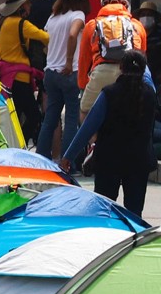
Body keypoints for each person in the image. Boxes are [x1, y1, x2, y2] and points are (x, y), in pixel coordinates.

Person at [63, 50, 156, 216]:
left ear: (120, 67)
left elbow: (88, 128)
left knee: (103, 211)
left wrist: (68, 156)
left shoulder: (109, 93)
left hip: (109, 160)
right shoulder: (150, 94)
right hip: (139, 161)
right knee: (135, 213)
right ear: (144, 70)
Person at [37, 0, 91, 157]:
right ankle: (68, 162)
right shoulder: (78, 15)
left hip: (50, 72)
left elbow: (46, 43)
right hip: (70, 72)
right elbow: (72, 34)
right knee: (71, 118)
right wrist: (68, 61)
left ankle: (41, 156)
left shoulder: (53, 18)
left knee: (50, 118)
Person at [0, 0, 47, 139]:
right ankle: (20, 146)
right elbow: (46, 37)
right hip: (19, 78)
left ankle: (14, 145)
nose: (30, 6)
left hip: (6, 78)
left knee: (14, 117)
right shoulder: (21, 24)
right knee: (34, 117)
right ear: (20, 6)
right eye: (28, 3)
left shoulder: (2, 22)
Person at [79, 0, 148, 114]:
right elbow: (141, 56)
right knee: (128, 113)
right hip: (129, 73)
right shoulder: (137, 25)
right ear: (126, 5)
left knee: (86, 110)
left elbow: (84, 59)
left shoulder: (92, 24)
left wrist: (83, 85)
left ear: (104, 4)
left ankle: (91, 134)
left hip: (101, 71)